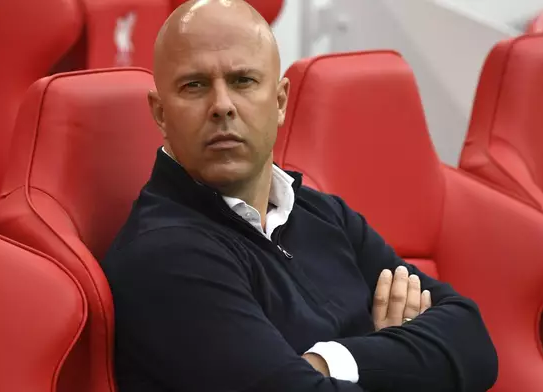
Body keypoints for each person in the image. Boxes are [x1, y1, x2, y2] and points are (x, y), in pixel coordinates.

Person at [101, 0, 498, 390]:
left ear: (279, 102)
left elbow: (474, 343)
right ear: (161, 114)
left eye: (243, 81)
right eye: (195, 85)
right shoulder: (165, 255)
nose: (222, 106)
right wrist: (403, 360)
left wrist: (329, 362)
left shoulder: (322, 213)